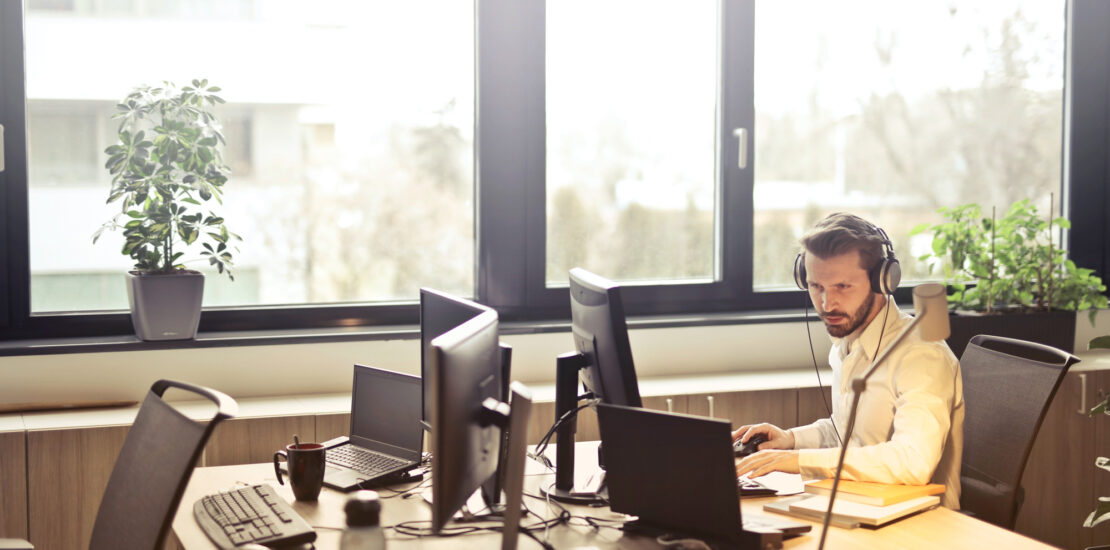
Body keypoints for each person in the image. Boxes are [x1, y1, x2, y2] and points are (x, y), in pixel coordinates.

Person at [733, 213, 964, 509]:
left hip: (920, 525)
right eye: (816, 287)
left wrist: (799, 461)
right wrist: (790, 439)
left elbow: (912, 462)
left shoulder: (922, 355)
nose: (827, 305)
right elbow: (849, 434)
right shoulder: (847, 343)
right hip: (858, 505)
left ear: (883, 280)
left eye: (842, 287)